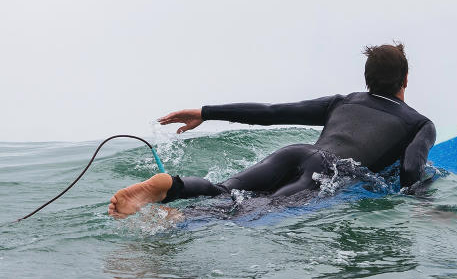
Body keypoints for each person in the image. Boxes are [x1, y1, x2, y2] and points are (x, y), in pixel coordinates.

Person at [108, 43, 436, 219]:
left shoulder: (342, 102)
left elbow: (270, 113)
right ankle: (180, 219)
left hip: (294, 152)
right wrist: (421, 201)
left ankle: (174, 187)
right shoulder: (418, 124)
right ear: (406, 80)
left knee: (226, 191)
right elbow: (410, 168)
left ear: (367, 78)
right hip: (333, 172)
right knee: (257, 210)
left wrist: (206, 113)